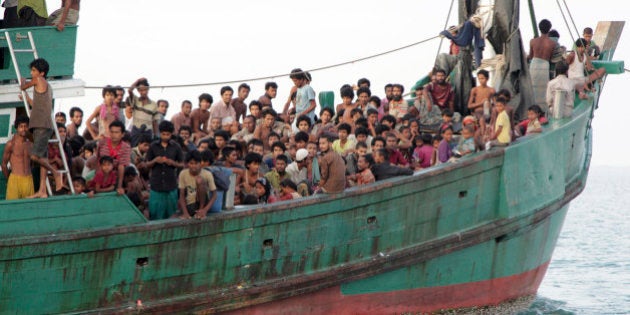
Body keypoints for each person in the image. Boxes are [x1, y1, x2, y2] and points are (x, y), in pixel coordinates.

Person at [19, 58, 64, 197]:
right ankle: (42, 190)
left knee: (34, 156)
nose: (31, 73)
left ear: (41, 73)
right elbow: (38, 105)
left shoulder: (38, 80)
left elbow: (23, 86)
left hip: (41, 125)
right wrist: (27, 100)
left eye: (33, 71)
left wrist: (22, 81)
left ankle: (56, 173)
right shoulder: (46, 85)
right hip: (42, 124)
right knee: (42, 157)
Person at [142, 121, 184, 220]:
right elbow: (146, 164)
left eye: (168, 134)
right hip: (156, 186)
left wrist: (173, 163)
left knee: (171, 215)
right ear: (160, 133)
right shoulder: (153, 146)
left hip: (171, 185)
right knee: (156, 214)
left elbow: (182, 164)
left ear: (171, 134)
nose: (165, 136)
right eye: (163, 134)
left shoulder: (176, 147)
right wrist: (155, 161)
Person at [1, 116, 34, 200]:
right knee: (12, 208)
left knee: (28, 208)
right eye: (21, 126)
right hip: (14, 179)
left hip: (28, 179)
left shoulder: (30, 145)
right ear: (17, 128)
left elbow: (33, 162)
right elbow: (4, 164)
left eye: (26, 126)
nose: (23, 129)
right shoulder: (11, 144)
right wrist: (9, 179)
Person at [178, 150, 217, 219]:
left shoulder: (207, 174)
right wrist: (185, 213)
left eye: (196, 163)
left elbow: (214, 195)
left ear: (200, 163)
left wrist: (204, 210)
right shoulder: (183, 173)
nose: (194, 166)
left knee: (199, 180)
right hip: (190, 205)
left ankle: (200, 210)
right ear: (187, 164)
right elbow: (182, 195)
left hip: (203, 203)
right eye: (191, 163)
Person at [527, 19, 557, 108]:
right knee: (544, 90)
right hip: (545, 65)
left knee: (533, 88)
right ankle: (542, 111)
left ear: (539, 28)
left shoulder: (533, 41)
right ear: (549, 29)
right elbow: (551, 58)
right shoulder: (552, 43)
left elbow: (530, 56)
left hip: (534, 65)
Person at [96, 120, 131, 195]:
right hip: (100, 174)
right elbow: (98, 160)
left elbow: (121, 167)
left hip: (115, 176)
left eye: (116, 132)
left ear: (122, 134)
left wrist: (119, 186)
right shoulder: (102, 143)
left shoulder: (126, 147)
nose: (113, 135)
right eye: (112, 132)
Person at [126, 78, 160, 145]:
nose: (143, 92)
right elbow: (129, 90)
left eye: (145, 89)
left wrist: (156, 135)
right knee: (134, 150)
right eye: (141, 90)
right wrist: (138, 80)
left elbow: (155, 122)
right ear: (138, 91)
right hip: (136, 131)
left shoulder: (154, 104)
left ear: (148, 89)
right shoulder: (135, 100)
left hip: (147, 132)